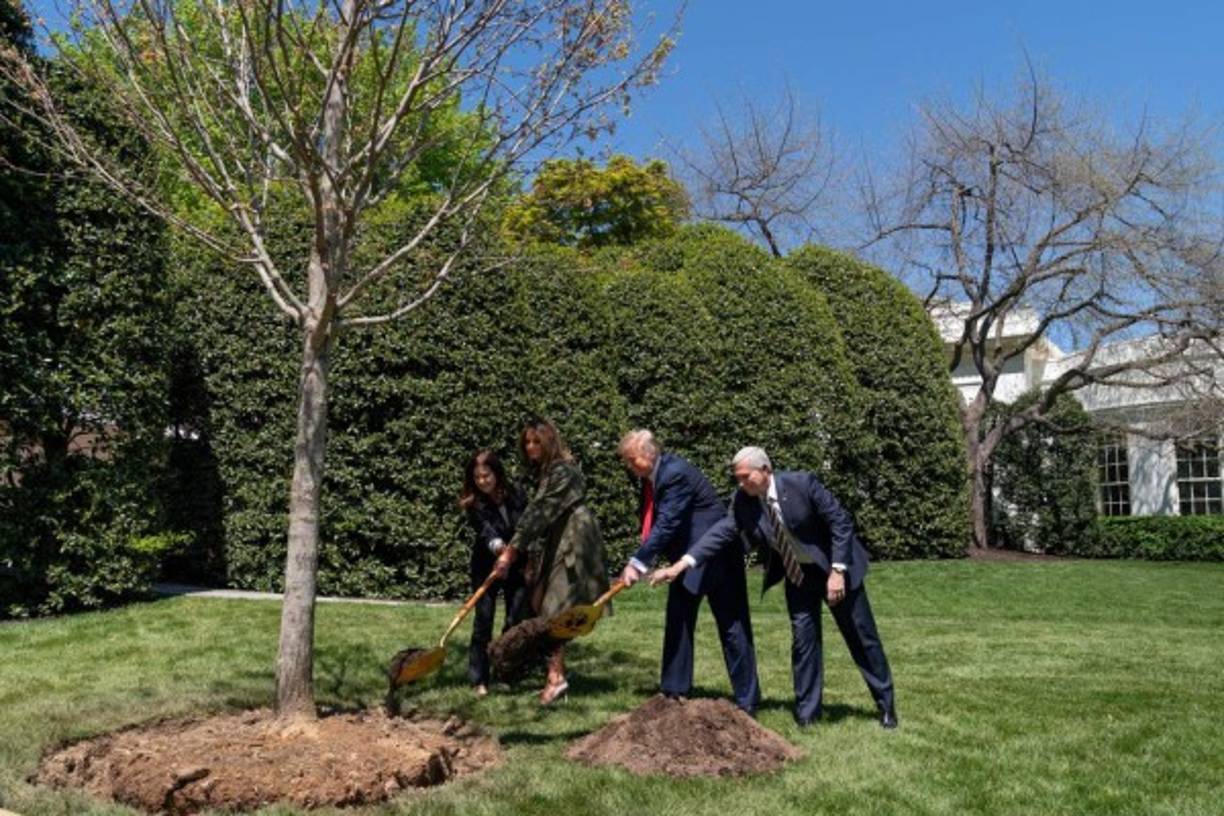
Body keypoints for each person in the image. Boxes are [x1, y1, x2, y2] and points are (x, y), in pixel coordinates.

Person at [652, 446, 898, 729]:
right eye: (737, 479)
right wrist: (681, 564)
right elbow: (721, 533)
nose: (741, 484)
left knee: (861, 638)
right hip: (798, 575)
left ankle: (886, 705)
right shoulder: (743, 502)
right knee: (804, 641)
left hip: (835, 568)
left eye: (746, 477)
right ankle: (807, 713)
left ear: (765, 470)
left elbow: (840, 522)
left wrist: (838, 571)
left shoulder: (802, 484)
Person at [618, 429, 760, 714]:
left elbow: (668, 523)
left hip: (717, 556)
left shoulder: (674, 474)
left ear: (649, 455)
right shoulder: (654, 477)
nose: (629, 466)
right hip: (685, 559)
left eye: (632, 460)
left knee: (732, 626)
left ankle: (747, 701)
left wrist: (637, 563)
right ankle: (673, 692)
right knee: (679, 619)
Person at [493, 418, 609, 705]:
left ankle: (555, 679)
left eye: (536, 441)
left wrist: (512, 550)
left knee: (553, 609)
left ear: (549, 441)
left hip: (575, 538)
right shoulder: (547, 472)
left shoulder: (563, 471)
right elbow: (540, 514)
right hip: (558, 537)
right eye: (527, 442)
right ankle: (557, 673)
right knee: (540, 603)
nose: (531, 447)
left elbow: (541, 511)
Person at [459, 449, 530, 697]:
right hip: (485, 566)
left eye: (486, 476)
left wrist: (513, 556)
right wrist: (501, 552)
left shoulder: (517, 493)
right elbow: (486, 532)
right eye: (477, 478)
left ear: (496, 473)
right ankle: (479, 678)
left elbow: (526, 525)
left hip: (518, 563)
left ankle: (505, 673)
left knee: (514, 621)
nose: (482, 482)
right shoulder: (473, 503)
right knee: (483, 621)